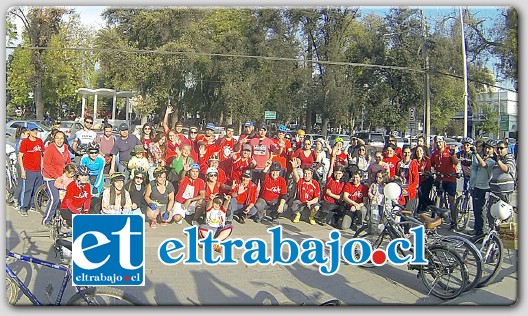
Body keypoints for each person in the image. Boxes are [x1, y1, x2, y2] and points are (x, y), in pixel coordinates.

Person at [41, 130, 72, 225]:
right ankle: (47, 219)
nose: (59, 140)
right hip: (50, 177)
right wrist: (56, 176)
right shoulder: (50, 149)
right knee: (55, 198)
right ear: (54, 139)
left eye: (61, 138)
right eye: (57, 138)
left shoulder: (66, 148)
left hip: (62, 176)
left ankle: (64, 219)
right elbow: (46, 165)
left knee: (66, 197)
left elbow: (68, 162)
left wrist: (70, 173)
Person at [430, 135, 459, 230]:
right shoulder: (435, 154)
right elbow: (432, 165)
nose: (438, 144)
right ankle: (436, 220)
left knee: (451, 201)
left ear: (443, 142)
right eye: (436, 142)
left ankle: (454, 222)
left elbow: (455, 162)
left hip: (450, 179)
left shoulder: (449, 151)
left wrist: (452, 155)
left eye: (440, 142)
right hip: (440, 179)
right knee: (438, 198)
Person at [17, 123, 44, 216]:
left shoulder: (39, 141)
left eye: (36, 130)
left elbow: (41, 155)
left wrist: (42, 167)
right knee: (27, 189)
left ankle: (34, 205)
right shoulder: (25, 142)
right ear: (29, 131)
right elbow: (20, 156)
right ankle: (23, 207)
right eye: (33, 130)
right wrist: (23, 170)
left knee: (37, 190)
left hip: (38, 170)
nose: (35, 132)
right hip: (28, 169)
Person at [487, 139, 517, 226]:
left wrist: (497, 160)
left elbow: (506, 169)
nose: (499, 150)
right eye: (498, 148)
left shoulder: (509, 157)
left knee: (504, 216)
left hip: (504, 193)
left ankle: (503, 236)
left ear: (506, 149)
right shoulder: (496, 158)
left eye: (501, 148)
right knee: (491, 215)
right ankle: (493, 235)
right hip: (494, 192)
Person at [469, 139, 495, 236]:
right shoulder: (484, 158)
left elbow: (484, 165)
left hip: (484, 189)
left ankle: (481, 233)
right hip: (477, 187)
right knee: (476, 210)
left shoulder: (492, 161)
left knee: (481, 211)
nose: (487, 150)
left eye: (490, 149)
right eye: (486, 148)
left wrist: (476, 154)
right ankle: (476, 230)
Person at [290, 157, 321, 225]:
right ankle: (298, 214)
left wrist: (310, 202)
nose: (306, 175)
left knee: (316, 207)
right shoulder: (300, 181)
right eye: (305, 173)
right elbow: (296, 176)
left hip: (310, 202)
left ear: (311, 174)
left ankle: (311, 217)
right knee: (293, 205)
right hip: (300, 201)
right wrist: (294, 168)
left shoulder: (315, 183)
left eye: (308, 174)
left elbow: (316, 198)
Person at [80, 142, 106, 213]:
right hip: (88, 176)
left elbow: (100, 173)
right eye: (91, 152)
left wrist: (96, 186)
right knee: (87, 194)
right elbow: (82, 172)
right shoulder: (84, 158)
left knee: (95, 195)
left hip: (98, 177)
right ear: (88, 152)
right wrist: (85, 182)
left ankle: (95, 212)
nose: (94, 155)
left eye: (96, 152)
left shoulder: (101, 160)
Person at [394, 145, 420, 215]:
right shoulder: (399, 164)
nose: (407, 154)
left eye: (408, 152)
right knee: (400, 213)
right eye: (405, 152)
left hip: (410, 191)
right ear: (402, 153)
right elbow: (396, 176)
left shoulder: (413, 164)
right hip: (400, 191)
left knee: (408, 214)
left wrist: (408, 190)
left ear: (411, 153)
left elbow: (416, 181)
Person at [413, 145, 433, 214]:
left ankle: (430, 205)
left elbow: (428, 170)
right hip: (417, 180)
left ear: (423, 152)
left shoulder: (427, 160)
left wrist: (423, 173)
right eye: (417, 151)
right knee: (419, 193)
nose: (419, 153)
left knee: (423, 194)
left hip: (426, 179)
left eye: (420, 151)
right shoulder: (414, 161)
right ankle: (419, 208)